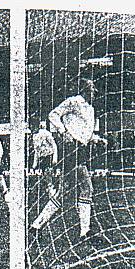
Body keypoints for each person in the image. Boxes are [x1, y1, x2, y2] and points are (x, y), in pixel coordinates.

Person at [31, 79, 107, 237]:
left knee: (64, 191)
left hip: (82, 149)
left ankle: (36, 225)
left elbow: (83, 132)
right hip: (71, 149)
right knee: (87, 188)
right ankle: (85, 231)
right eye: (93, 89)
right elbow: (53, 115)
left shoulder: (90, 109)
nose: (95, 92)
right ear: (86, 90)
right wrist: (62, 131)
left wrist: (97, 139)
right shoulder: (73, 101)